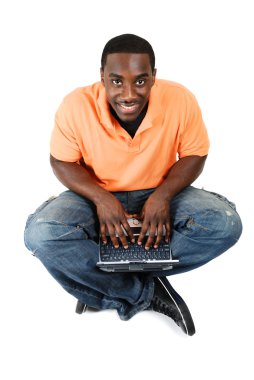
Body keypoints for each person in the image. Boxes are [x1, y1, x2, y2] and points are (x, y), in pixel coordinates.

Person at [24, 34, 242, 336]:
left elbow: (194, 153)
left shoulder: (180, 99)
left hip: (160, 190)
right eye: (116, 82)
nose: (128, 94)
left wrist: (163, 195)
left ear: (153, 76)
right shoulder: (76, 105)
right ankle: (143, 292)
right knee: (42, 234)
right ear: (102, 77)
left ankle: (99, 284)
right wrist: (101, 199)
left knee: (223, 224)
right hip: (94, 194)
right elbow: (61, 162)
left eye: (140, 81)